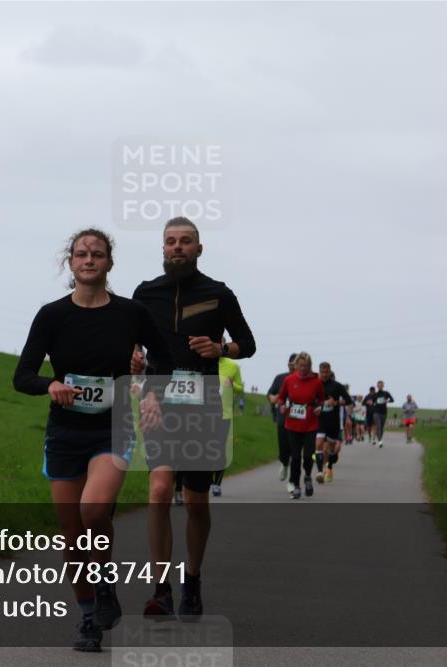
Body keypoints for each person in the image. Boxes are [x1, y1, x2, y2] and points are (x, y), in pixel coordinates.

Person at [13, 229, 172, 652]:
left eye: (97, 254)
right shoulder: (51, 315)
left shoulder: (130, 313)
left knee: (94, 509)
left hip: (112, 426)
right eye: (81, 254)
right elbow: (22, 375)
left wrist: (152, 390)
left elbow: (165, 357)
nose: (89, 260)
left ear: (109, 263)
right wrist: (50, 385)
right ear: (71, 263)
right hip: (64, 432)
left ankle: (104, 584)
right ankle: (88, 618)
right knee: (72, 537)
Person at [130, 217, 256, 622]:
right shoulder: (145, 293)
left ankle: (193, 579)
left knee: (197, 502)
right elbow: (130, 346)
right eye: (171, 242)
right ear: (162, 248)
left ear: (199, 249)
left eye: (186, 242)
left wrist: (221, 348)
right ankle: (160, 588)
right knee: (160, 490)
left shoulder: (218, 294)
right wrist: (131, 358)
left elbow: (248, 345)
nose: (177, 248)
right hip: (158, 404)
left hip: (202, 408)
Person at [276, 352, 324, 499]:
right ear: (296, 365)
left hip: (310, 423)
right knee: (295, 457)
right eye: (301, 366)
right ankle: (296, 485)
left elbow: (322, 400)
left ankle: (308, 477)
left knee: (308, 456)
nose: (303, 369)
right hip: (292, 423)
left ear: (310, 366)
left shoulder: (316, 382)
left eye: (306, 366)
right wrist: (282, 406)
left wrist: (319, 408)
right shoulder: (289, 380)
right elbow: (281, 398)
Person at [211, 354, 243, 496]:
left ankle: (216, 483)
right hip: (205, 414)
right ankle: (204, 479)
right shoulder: (203, 362)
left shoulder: (232, 365)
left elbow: (240, 388)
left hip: (225, 414)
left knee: (219, 448)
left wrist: (232, 384)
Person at [314, 365, 352, 484]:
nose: (324, 374)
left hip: (333, 422)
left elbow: (348, 400)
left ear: (330, 372)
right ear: (319, 372)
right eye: (322, 372)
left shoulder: (337, 386)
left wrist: (336, 402)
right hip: (319, 420)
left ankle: (329, 467)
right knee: (319, 444)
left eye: (326, 372)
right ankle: (320, 472)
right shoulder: (315, 384)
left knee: (331, 450)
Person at [268, 354, 296, 481]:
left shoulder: (306, 380)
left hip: (299, 420)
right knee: (284, 446)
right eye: (291, 364)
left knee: (295, 448)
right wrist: (273, 398)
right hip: (282, 417)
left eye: (296, 364)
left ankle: (294, 479)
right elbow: (270, 394)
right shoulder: (280, 378)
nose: (293, 366)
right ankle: (284, 463)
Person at [371, 380, 395, 447]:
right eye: (379, 385)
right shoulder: (375, 394)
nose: (380, 386)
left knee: (381, 427)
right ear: (377, 386)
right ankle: (380, 442)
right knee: (378, 426)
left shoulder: (386, 393)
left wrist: (387, 400)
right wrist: (372, 404)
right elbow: (372, 403)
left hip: (384, 412)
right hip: (376, 413)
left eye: (381, 385)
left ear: (383, 386)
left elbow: (392, 400)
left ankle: (379, 439)